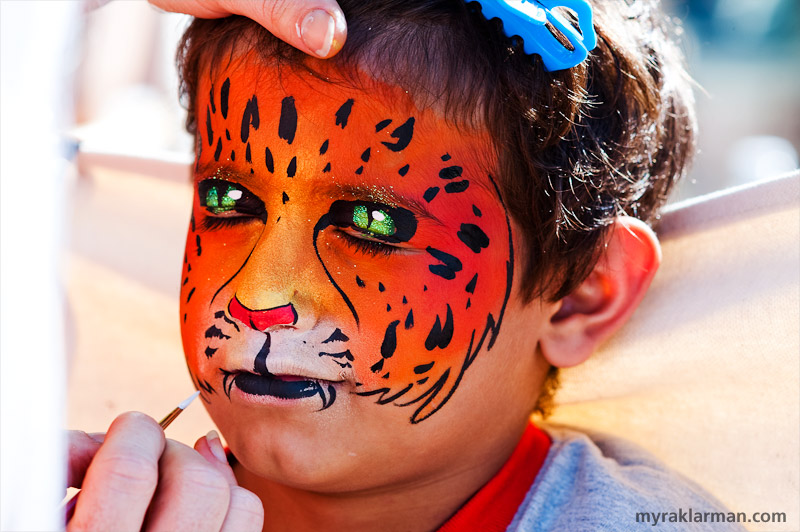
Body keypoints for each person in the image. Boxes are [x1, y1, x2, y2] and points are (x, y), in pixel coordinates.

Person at [67, 1, 747, 531]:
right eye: (228, 200)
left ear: (579, 294)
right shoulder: (72, 497)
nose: (259, 293)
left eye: (372, 224)